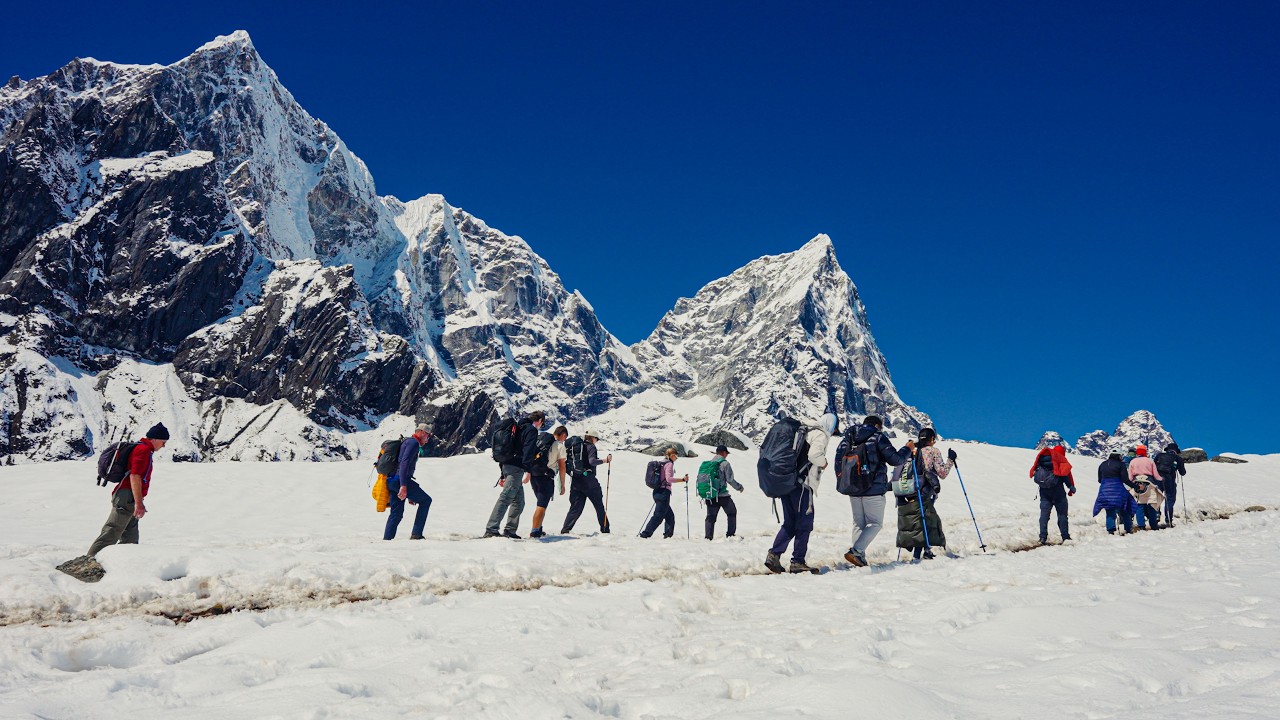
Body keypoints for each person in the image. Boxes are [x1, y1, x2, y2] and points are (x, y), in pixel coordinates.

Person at [766, 413, 839, 573]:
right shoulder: (820, 434)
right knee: (805, 523)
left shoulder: (804, 431)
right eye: (834, 429)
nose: (833, 432)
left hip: (787, 483)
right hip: (802, 486)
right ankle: (797, 561)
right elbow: (814, 455)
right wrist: (824, 463)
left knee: (790, 522)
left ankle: (774, 555)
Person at [838, 416, 914, 566]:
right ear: (878, 425)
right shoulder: (878, 437)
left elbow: (838, 462)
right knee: (875, 523)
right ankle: (857, 551)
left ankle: (859, 556)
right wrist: (908, 449)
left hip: (853, 487)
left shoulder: (848, 438)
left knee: (858, 523)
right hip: (873, 488)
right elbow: (896, 460)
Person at [87, 423, 169, 556]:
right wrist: (139, 503)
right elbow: (135, 475)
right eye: (163, 442)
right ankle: (89, 561)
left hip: (128, 496)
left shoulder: (143, 449)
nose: (164, 446)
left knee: (130, 538)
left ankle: (126, 563)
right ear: (154, 439)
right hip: (127, 496)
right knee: (112, 530)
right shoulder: (143, 450)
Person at [485, 411, 544, 538]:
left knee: (519, 502)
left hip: (507, 466)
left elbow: (507, 449)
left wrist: (503, 474)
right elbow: (528, 451)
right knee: (506, 497)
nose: (541, 426)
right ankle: (491, 529)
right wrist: (528, 470)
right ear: (539, 420)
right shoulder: (531, 430)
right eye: (542, 424)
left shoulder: (516, 427)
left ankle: (510, 530)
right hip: (516, 469)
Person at [894, 427, 947, 560]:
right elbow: (942, 473)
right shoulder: (933, 451)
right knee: (927, 520)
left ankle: (917, 551)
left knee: (917, 520)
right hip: (925, 490)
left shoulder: (910, 450)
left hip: (906, 489)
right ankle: (924, 552)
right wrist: (951, 460)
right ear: (932, 439)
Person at [384, 425, 434, 540]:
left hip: (391, 480)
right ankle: (416, 534)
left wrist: (409, 493)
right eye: (428, 435)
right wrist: (403, 486)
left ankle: (387, 539)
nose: (428, 439)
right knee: (426, 500)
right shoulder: (413, 443)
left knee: (396, 513)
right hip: (400, 480)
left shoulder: (407, 442)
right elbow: (404, 463)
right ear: (422, 432)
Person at [559, 429, 611, 534]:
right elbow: (592, 461)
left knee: (576, 507)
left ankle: (565, 529)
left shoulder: (578, 447)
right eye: (596, 439)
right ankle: (605, 529)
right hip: (589, 481)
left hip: (576, 480)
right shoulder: (591, 447)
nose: (596, 441)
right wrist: (605, 460)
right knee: (599, 505)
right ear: (592, 438)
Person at [1029, 444, 1076, 544]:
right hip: (1059, 494)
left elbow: (1032, 472)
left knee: (1044, 515)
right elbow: (1066, 476)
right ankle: (1065, 537)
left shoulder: (1041, 461)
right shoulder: (1060, 462)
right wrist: (1071, 488)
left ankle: (1042, 537)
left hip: (1044, 493)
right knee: (1062, 515)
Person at [529, 425, 568, 538]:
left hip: (534, 475)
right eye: (565, 437)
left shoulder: (540, 442)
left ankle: (539, 527)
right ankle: (534, 531)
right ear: (563, 435)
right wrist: (562, 484)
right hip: (546, 478)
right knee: (541, 505)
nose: (565, 440)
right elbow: (562, 467)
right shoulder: (559, 446)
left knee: (541, 503)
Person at [641, 446, 688, 538]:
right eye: (676, 456)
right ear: (672, 455)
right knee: (658, 516)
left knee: (669, 516)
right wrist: (682, 479)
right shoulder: (669, 464)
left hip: (657, 491)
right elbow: (669, 479)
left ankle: (668, 535)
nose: (676, 458)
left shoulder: (661, 463)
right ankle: (645, 534)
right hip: (664, 492)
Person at [702, 445, 745, 539]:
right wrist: (739, 487)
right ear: (724, 453)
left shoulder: (709, 464)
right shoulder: (725, 463)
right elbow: (730, 479)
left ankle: (708, 537)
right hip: (722, 496)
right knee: (732, 512)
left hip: (711, 495)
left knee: (711, 516)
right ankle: (730, 535)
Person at [1093, 452, 1135, 535]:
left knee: (1109, 510)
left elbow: (1099, 480)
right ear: (1118, 456)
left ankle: (1111, 530)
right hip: (1118, 489)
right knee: (1125, 508)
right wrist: (1135, 486)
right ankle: (1128, 528)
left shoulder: (1102, 464)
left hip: (1104, 490)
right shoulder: (1121, 464)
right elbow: (1125, 479)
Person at [1127, 445, 1165, 530]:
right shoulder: (1150, 461)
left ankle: (1141, 526)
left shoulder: (1133, 461)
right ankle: (1153, 525)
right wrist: (1162, 479)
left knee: (1139, 505)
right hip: (1149, 484)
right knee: (1151, 505)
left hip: (1137, 484)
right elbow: (1156, 475)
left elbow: (1130, 477)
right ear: (1145, 452)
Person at [1153, 443, 1187, 527]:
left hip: (1158, 479)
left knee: (1157, 497)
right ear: (1176, 451)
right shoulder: (1178, 458)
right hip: (1170, 480)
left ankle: (1156, 515)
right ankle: (1168, 519)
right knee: (1170, 499)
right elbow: (1183, 473)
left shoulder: (1159, 455)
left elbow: (1153, 466)